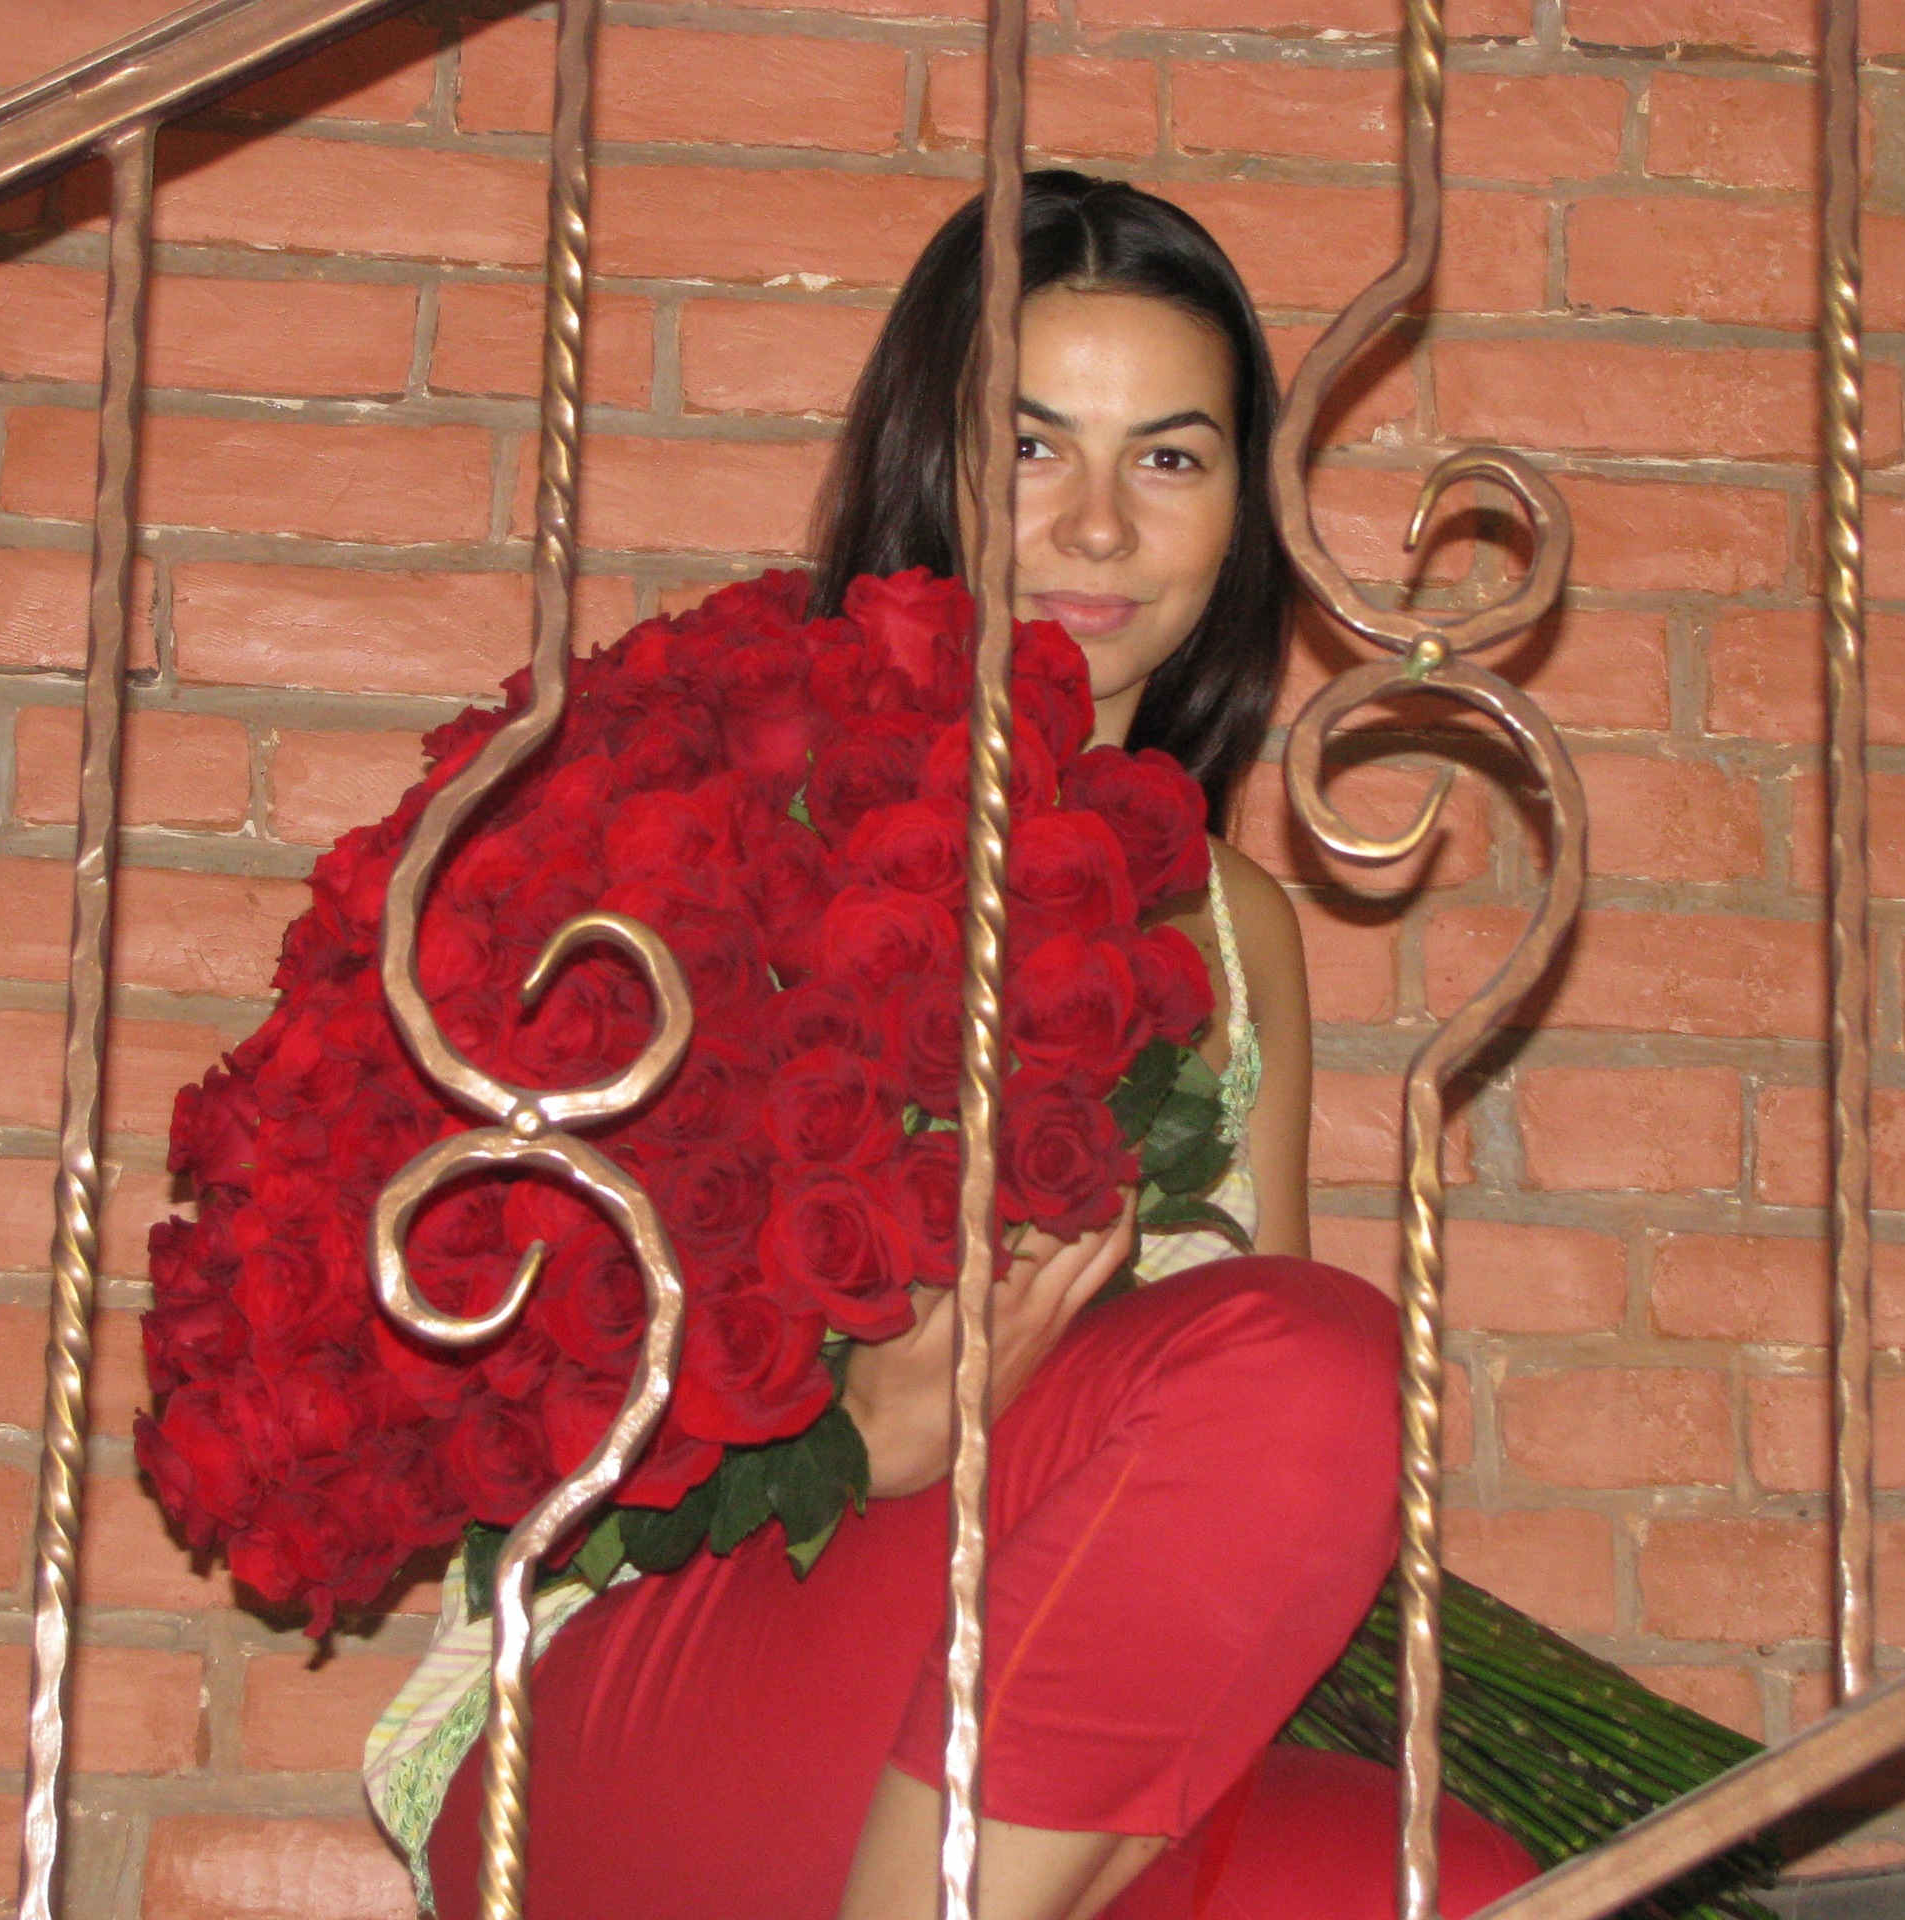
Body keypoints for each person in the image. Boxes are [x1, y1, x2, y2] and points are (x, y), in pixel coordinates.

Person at [404, 171, 1540, 1920]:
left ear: (1245, 513)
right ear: (930, 470)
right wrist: (856, 1430)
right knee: (1312, 1366)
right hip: (659, 1695)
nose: (1099, 529)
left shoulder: (1242, 931)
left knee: (1453, 1884)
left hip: (980, 1749)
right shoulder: (744, 808)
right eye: (1030, 449)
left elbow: (1219, 1511)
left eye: (1170, 459)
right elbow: (523, 1358)